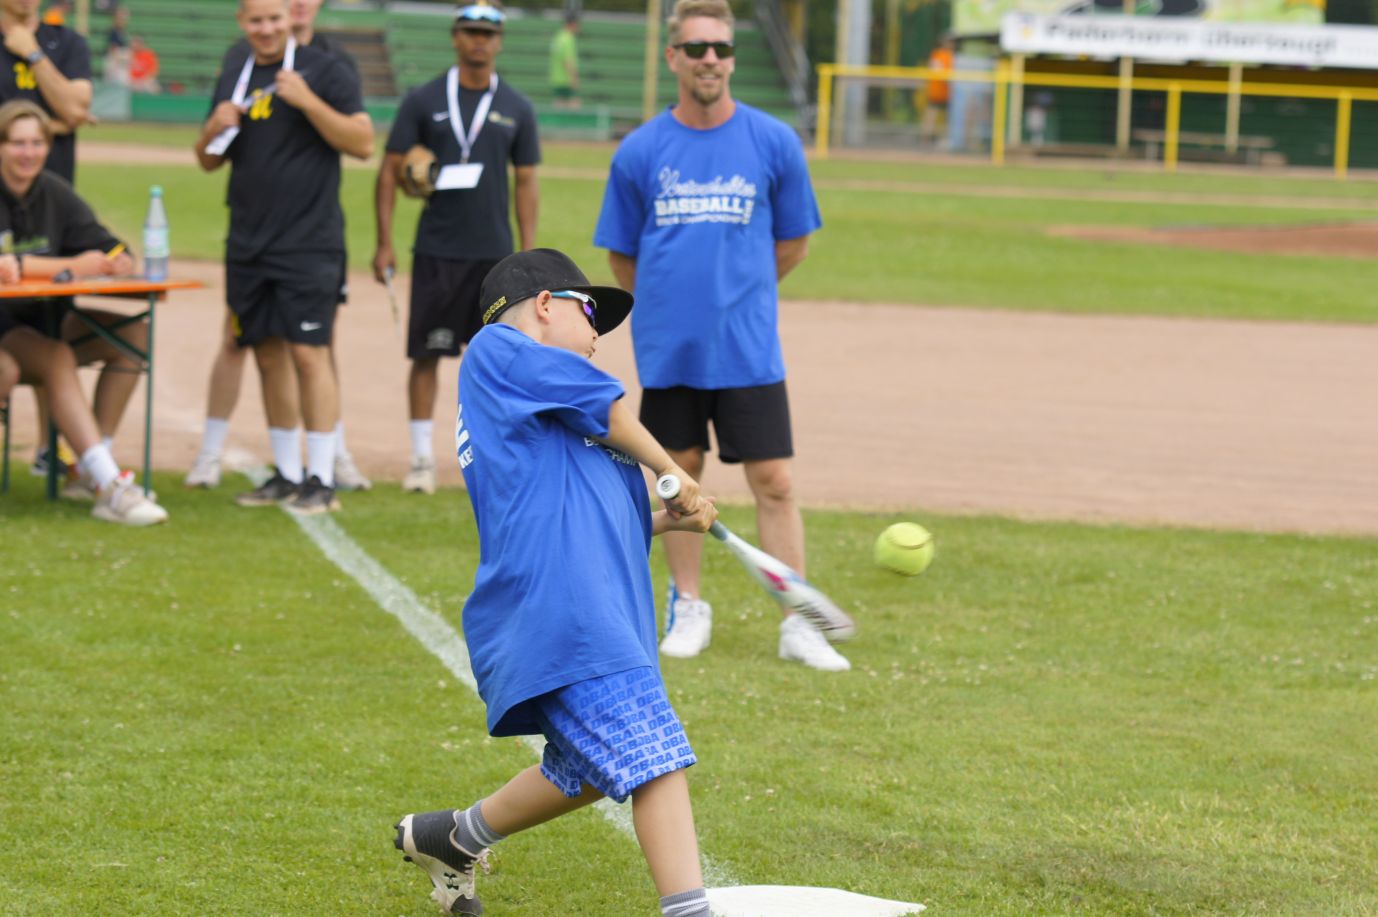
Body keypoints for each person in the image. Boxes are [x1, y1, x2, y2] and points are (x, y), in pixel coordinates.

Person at [393, 247, 717, 917]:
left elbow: (586, 512)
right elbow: (612, 409)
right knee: (655, 756)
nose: (598, 334)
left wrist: (668, 516)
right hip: (565, 613)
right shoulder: (497, 350)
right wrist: (672, 470)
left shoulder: (543, 402)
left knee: (595, 768)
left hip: (591, 610)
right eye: (590, 311)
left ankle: (455, 837)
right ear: (545, 304)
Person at [593, 0, 846, 671]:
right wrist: (674, 305)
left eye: (722, 49)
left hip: (748, 347)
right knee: (677, 481)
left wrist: (740, 295)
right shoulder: (641, 150)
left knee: (776, 482)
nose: (711, 59)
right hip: (671, 350)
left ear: (732, 58)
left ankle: (799, 623)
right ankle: (688, 605)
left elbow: (794, 242)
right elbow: (622, 255)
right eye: (697, 48)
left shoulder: (773, 141)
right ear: (673, 57)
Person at [194, 0, 373, 514]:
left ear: (289, 18)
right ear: (242, 22)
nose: (267, 28)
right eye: (256, 20)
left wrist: (308, 101)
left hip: (309, 241)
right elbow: (207, 160)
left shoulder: (325, 69)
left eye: (274, 18)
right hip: (248, 242)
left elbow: (363, 142)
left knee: (309, 354)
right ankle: (288, 473)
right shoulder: (236, 69)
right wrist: (212, 128)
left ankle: (323, 477)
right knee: (267, 352)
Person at [373, 0, 539, 496]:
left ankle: (497, 460)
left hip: (494, 256)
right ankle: (422, 459)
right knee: (426, 354)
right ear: (455, 36)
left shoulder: (517, 106)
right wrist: (384, 241)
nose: (479, 40)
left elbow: (526, 181)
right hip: (437, 250)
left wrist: (529, 254)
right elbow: (390, 171)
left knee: (500, 363)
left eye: (488, 33)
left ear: (499, 41)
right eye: (470, 31)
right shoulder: (423, 100)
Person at [0, 102, 166, 525]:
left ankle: (93, 468)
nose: (28, 153)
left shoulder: (54, 192)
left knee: (133, 337)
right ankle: (111, 486)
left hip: (48, 321)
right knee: (55, 356)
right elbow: (7, 267)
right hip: (7, 329)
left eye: (37, 143)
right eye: (17, 143)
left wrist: (116, 259)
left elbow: (107, 245)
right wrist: (74, 266)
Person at [0, 0, 91, 185]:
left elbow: (75, 111)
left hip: (53, 184)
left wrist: (33, 53)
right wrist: (52, 127)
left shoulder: (69, 42)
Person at [919, 34, 954, 148]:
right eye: (949, 42)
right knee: (933, 114)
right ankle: (928, 137)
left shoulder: (942, 54)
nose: (951, 44)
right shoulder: (942, 55)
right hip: (940, 90)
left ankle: (934, 137)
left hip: (942, 91)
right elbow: (941, 73)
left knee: (937, 115)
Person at [548, 11, 579, 109]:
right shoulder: (568, 39)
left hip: (556, 78)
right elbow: (567, 61)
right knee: (574, 105)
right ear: (573, 24)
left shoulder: (558, 37)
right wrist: (574, 78)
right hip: (566, 80)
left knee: (559, 105)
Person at [102, 4, 129, 86]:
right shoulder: (113, 31)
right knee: (113, 84)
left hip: (120, 61)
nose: (123, 20)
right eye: (121, 17)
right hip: (115, 61)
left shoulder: (122, 31)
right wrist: (118, 61)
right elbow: (112, 48)